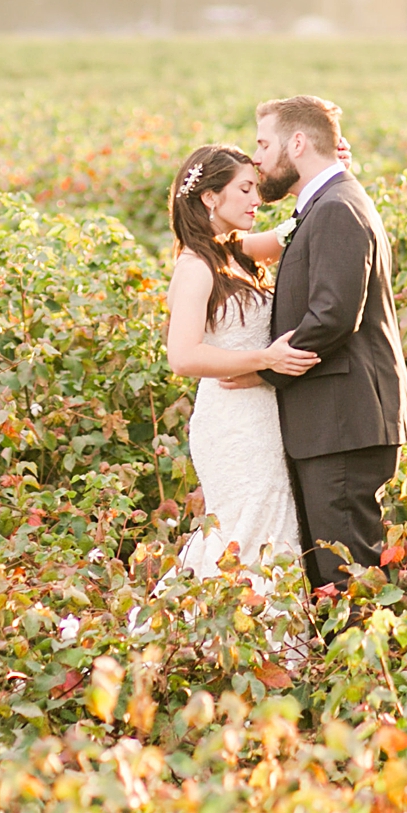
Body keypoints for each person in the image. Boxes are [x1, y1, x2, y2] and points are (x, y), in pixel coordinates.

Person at [227, 95, 407, 605]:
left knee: (348, 576)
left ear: (297, 142)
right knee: (337, 575)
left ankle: (375, 676)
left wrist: (262, 370)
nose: (258, 158)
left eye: (264, 144)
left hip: (343, 424)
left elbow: (334, 315)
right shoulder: (324, 201)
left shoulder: (336, 206)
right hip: (334, 423)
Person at [161, 145, 318, 586]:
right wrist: (265, 358)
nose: (257, 200)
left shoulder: (234, 249)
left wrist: (334, 167)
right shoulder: (195, 266)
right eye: (245, 189)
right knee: (247, 526)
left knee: (271, 521)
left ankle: (269, 642)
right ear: (210, 197)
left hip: (262, 414)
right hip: (231, 422)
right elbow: (184, 355)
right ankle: (220, 634)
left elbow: (301, 224)